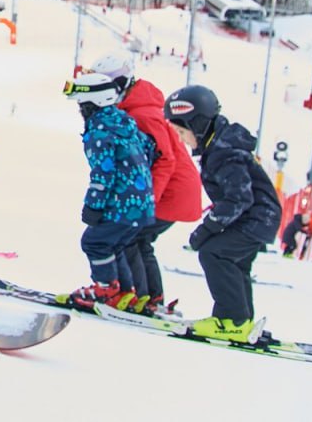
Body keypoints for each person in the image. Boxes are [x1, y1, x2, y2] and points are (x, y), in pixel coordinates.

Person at [163, 84, 283, 343]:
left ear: (197, 125)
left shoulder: (224, 152)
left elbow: (239, 198)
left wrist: (208, 228)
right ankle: (241, 321)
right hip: (258, 217)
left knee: (213, 253)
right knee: (234, 263)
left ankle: (232, 321)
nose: (182, 140)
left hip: (256, 217)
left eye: (182, 132)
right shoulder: (219, 147)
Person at [87, 51, 201, 315]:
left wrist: (147, 201)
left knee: (128, 238)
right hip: (175, 189)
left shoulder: (143, 114)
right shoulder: (136, 107)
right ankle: (150, 297)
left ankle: (139, 297)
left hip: (171, 192)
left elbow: (165, 160)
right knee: (139, 241)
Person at [64, 73, 156, 311]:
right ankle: (125, 291)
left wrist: (93, 205)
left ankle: (106, 289)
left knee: (94, 242)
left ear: (93, 104)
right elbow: (150, 148)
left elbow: (103, 173)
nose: (80, 111)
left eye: (82, 105)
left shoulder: (99, 132)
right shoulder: (124, 123)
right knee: (114, 245)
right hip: (143, 202)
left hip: (122, 202)